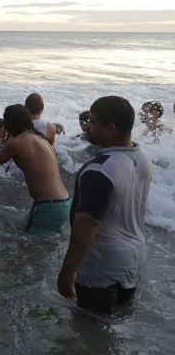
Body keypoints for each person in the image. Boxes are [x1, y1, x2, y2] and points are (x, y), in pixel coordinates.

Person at [57, 96, 153, 313]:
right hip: (134, 257)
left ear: (110, 128)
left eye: (93, 121)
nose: (87, 126)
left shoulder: (100, 169)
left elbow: (87, 223)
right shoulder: (143, 158)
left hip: (103, 265)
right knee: (112, 329)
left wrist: (67, 270)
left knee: (88, 330)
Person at [0, 104, 70, 233]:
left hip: (48, 205)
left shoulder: (17, 142)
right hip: (64, 201)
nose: (5, 127)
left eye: (6, 122)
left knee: (27, 248)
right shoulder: (40, 138)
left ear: (11, 122)